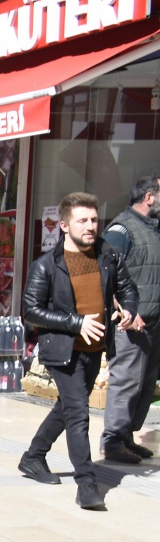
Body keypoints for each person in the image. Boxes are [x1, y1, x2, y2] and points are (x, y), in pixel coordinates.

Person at [18, 192, 141, 510]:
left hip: (94, 348)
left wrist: (127, 309)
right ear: (63, 225)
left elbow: (127, 287)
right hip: (62, 349)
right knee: (78, 414)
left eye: (94, 220)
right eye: (82, 220)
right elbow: (31, 310)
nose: (90, 226)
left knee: (67, 408)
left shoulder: (107, 254)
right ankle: (87, 484)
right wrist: (76, 323)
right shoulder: (47, 265)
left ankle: (33, 457)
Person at [99, 176, 160, 464]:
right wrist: (125, 312)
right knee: (127, 382)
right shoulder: (122, 229)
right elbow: (107, 277)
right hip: (132, 323)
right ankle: (112, 440)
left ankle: (126, 437)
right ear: (150, 197)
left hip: (153, 322)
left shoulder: (154, 229)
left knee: (146, 385)